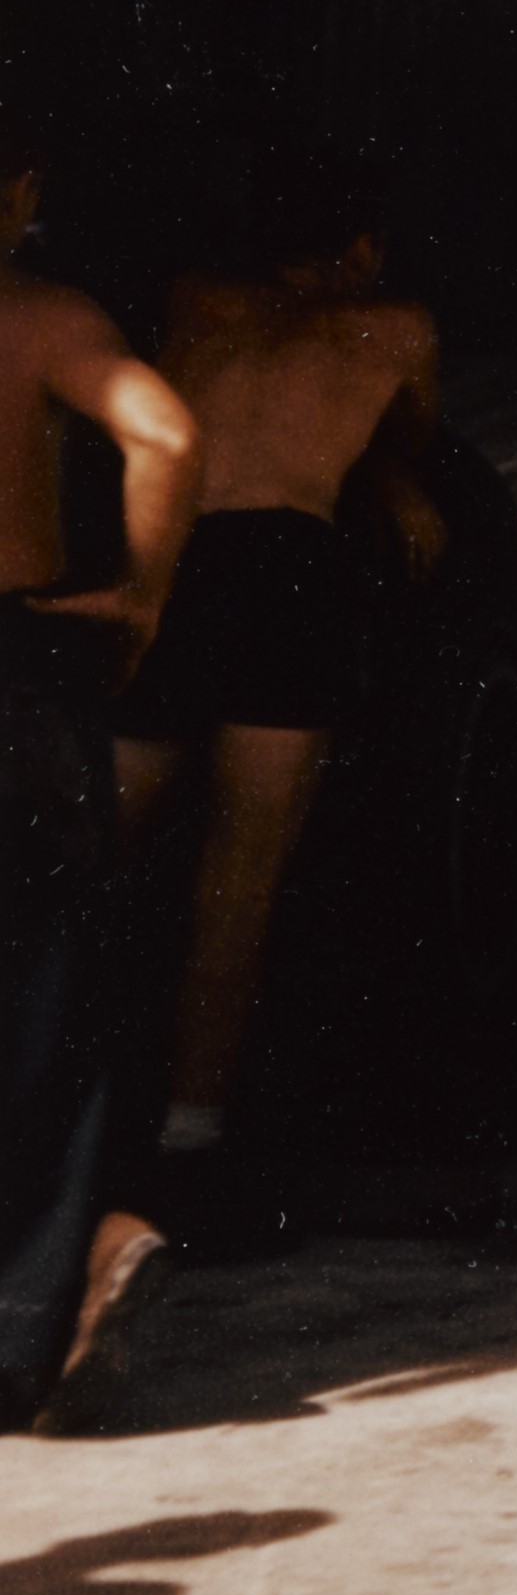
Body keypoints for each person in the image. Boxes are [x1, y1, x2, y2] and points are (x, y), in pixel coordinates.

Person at [111, 158, 445, 1217]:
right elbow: (411, 434)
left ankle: (57, 1103)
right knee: (241, 875)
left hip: (182, 563)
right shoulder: (399, 328)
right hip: (290, 572)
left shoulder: (194, 301)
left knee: (92, 849)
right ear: (361, 250)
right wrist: (389, 479)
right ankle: (191, 1133)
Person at [4, 101, 197, 1430]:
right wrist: (138, 595)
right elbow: (168, 435)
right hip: (17, 671)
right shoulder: (42, 319)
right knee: (43, 996)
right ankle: (30, 1322)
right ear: (16, 190)